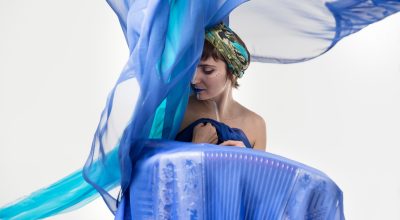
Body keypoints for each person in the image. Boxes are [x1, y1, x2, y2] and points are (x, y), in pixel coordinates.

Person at [175, 23, 266, 151]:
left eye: (207, 70)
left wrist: (246, 159)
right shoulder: (177, 112)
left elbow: (261, 171)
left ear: (232, 72)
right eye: (192, 69)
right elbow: (156, 167)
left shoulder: (256, 125)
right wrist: (197, 146)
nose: (194, 80)